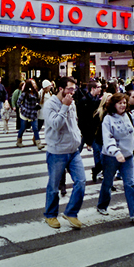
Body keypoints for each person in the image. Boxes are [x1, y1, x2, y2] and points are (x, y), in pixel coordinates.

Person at [44, 75, 86, 229]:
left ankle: (71, 212)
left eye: (73, 89)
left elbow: (74, 122)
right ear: (61, 89)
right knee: (54, 186)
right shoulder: (50, 104)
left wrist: (79, 136)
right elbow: (55, 124)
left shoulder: (72, 102)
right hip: (57, 151)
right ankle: (50, 215)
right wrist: (64, 107)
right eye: (69, 89)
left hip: (73, 149)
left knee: (81, 181)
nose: (72, 92)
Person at [97, 93, 134, 223]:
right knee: (108, 182)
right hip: (111, 157)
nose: (123, 105)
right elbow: (107, 139)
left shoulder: (129, 116)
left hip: (128, 156)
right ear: (114, 104)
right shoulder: (108, 119)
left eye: (124, 103)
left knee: (129, 184)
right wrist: (116, 152)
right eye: (120, 103)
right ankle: (102, 205)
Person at [77, 80, 103, 183]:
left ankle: (97, 170)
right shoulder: (84, 101)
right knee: (75, 152)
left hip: (93, 132)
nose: (100, 89)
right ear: (93, 88)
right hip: (84, 131)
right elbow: (81, 119)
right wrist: (85, 134)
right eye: (98, 87)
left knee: (98, 152)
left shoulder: (97, 100)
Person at [16, 79, 43, 149]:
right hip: (25, 113)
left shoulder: (36, 93)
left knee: (35, 128)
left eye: (34, 83)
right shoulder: (24, 93)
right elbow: (18, 102)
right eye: (32, 83)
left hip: (33, 113)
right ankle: (19, 141)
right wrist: (23, 108)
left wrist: (37, 106)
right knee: (23, 128)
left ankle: (38, 143)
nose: (34, 85)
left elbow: (38, 101)